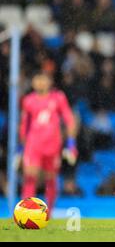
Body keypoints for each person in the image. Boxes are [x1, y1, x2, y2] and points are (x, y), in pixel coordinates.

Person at [19, 72, 77, 217]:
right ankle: (26, 213)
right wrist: (20, 148)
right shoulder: (28, 100)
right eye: (37, 79)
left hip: (52, 145)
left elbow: (69, 119)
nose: (40, 82)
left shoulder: (58, 98)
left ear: (49, 82)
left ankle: (48, 213)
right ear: (33, 83)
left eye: (43, 79)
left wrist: (71, 144)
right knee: (30, 177)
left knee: (50, 179)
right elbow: (24, 124)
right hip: (33, 145)